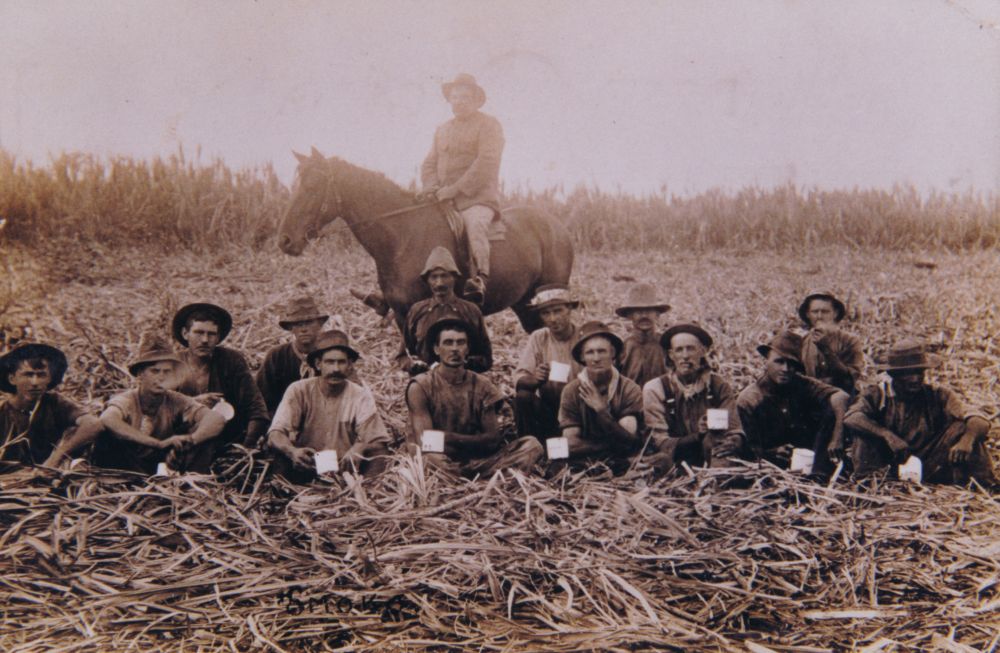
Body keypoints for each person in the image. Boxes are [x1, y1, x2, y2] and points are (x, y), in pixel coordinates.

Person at [845, 339, 997, 486]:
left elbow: (979, 419)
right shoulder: (877, 394)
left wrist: (967, 440)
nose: (915, 378)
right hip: (888, 461)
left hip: (929, 461)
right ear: (893, 375)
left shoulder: (938, 395)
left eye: (919, 372)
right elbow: (852, 417)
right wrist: (887, 435)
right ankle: (870, 485)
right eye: (908, 373)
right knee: (863, 431)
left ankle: (984, 485)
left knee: (965, 428)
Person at [406, 318, 542, 477]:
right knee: (429, 459)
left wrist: (449, 437)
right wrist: (473, 441)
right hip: (441, 459)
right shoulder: (421, 386)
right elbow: (426, 442)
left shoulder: (482, 385)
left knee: (532, 445)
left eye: (460, 343)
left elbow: (492, 441)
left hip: (479, 459)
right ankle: (483, 477)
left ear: (468, 348)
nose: (455, 349)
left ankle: (470, 477)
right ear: (436, 349)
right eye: (448, 343)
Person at [420, 73, 504, 305]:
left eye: (465, 97)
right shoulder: (442, 129)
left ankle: (479, 279)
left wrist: (454, 190)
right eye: (455, 97)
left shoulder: (489, 125)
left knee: (474, 225)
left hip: (475, 198)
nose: (459, 101)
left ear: (477, 100)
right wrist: (430, 186)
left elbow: (486, 162)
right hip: (442, 198)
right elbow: (429, 163)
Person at [267, 330, 392, 482]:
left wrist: (359, 447)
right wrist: (292, 451)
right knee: (279, 455)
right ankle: (285, 497)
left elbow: (378, 439)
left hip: (344, 464)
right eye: (330, 362)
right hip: (308, 462)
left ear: (350, 366)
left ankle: (369, 493)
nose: (336, 369)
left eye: (341, 362)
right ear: (318, 364)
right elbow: (275, 434)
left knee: (379, 455)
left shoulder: (360, 395)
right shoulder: (299, 390)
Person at [98, 335, 226, 474]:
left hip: (154, 464)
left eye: (167, 371)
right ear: (141, 374)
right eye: (155, 371)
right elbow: (108, 419)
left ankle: (189, 484)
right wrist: (158, 444)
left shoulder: (176, 400)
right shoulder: (127, 400)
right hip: (124, 465)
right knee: (108, 437)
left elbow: (215, 419)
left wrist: (190, 441)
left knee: (205, 437)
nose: (161, 377)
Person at [737, 331, 850, 475]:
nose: (785, 369)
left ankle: (820, 473)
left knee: (831, 408)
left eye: (791, 364)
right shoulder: (750, 399)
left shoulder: (802, 384)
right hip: (770, 466)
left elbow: (841, 396)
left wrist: (837, 437)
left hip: (806, 457)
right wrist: (771, 453)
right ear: (766, 360)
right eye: (779, 361)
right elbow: (746, 448)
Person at [642, 324, 744, 471]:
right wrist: (698, 435)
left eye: (690, 348)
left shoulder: (718, 386)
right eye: (679, 350)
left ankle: (716, 484)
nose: (685, 356)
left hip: (710, 452)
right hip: (674, 458)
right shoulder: (655, 389)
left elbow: (734, 429)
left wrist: (734, 441)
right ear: (671, 355)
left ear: (703, 351)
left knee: (718, 444)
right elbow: (659, 442)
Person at [172, 303, 269, 448]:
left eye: (211, 334)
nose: (205, 340)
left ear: (218, 338)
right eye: (198, 333)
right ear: (185, 334)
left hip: (226, 442)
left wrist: (246, 445)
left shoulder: (231, 361)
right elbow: (156, 410)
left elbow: (256, 408)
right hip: (180, 441)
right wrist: (193, 403)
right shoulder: (172, 365)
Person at [0, 341, 103, 471]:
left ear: (50, 379)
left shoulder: (54, 403)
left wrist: (56, 457)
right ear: (12, 379)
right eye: (28, 375)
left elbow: (93, 424)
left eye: (41, 375)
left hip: (50, 475)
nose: (35, 382)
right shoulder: (3, 412)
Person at [559, 321, 644, 467]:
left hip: (619, 456)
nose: (596, 358)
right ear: (582, 357)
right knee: (557, 452)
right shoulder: (571, 391)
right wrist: (606, 446)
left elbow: (628, 443)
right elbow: (570, 444)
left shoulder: (629, 389)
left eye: (602, 351)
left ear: (613, 354)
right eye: (590, 352)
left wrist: (602, 411)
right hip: (591, 457)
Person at [400, 247, 493, 374]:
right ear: (427, 280)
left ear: (454, 277)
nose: (439, 283)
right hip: (426, 384)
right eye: (434, 277)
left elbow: (486, 358)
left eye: (445, 276)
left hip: (462, 383)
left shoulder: (470, 311)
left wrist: (464, 364)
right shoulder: (416, 311)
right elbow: (402, 355)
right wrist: (414, 365)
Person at [513, 285, 583, 439]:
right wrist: (535, 379)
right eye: (546, 313)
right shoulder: (539, 337)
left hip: (580, 411)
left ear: (569, 309)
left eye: (558, 311)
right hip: (550, 409)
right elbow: (520, 378)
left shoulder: (584, 337)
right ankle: (529, 445)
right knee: (523, 397)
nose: (552, 318)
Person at [256, 296, 330, 416]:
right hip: (284, 419)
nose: (304, 330)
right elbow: (261, 398)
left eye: (309, 322)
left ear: (320, 324)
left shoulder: (330, 354)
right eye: (298, 324)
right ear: (291, 328)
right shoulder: (276, 356)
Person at [796, 291, 864, 394]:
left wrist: (826, 349)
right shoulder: (803, 341)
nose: (819, 316)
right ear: (808, 314)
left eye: (825, 312)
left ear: (835, 313)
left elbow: (850, 378)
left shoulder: (850, 340)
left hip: (843, 398)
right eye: (815, 312)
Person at [614, 283, 670, 388]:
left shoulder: (667, 345)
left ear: (657, 315)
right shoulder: (623, 348)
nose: (644, 316)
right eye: (638, 312)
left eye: (649, 311)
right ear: (629, 315)